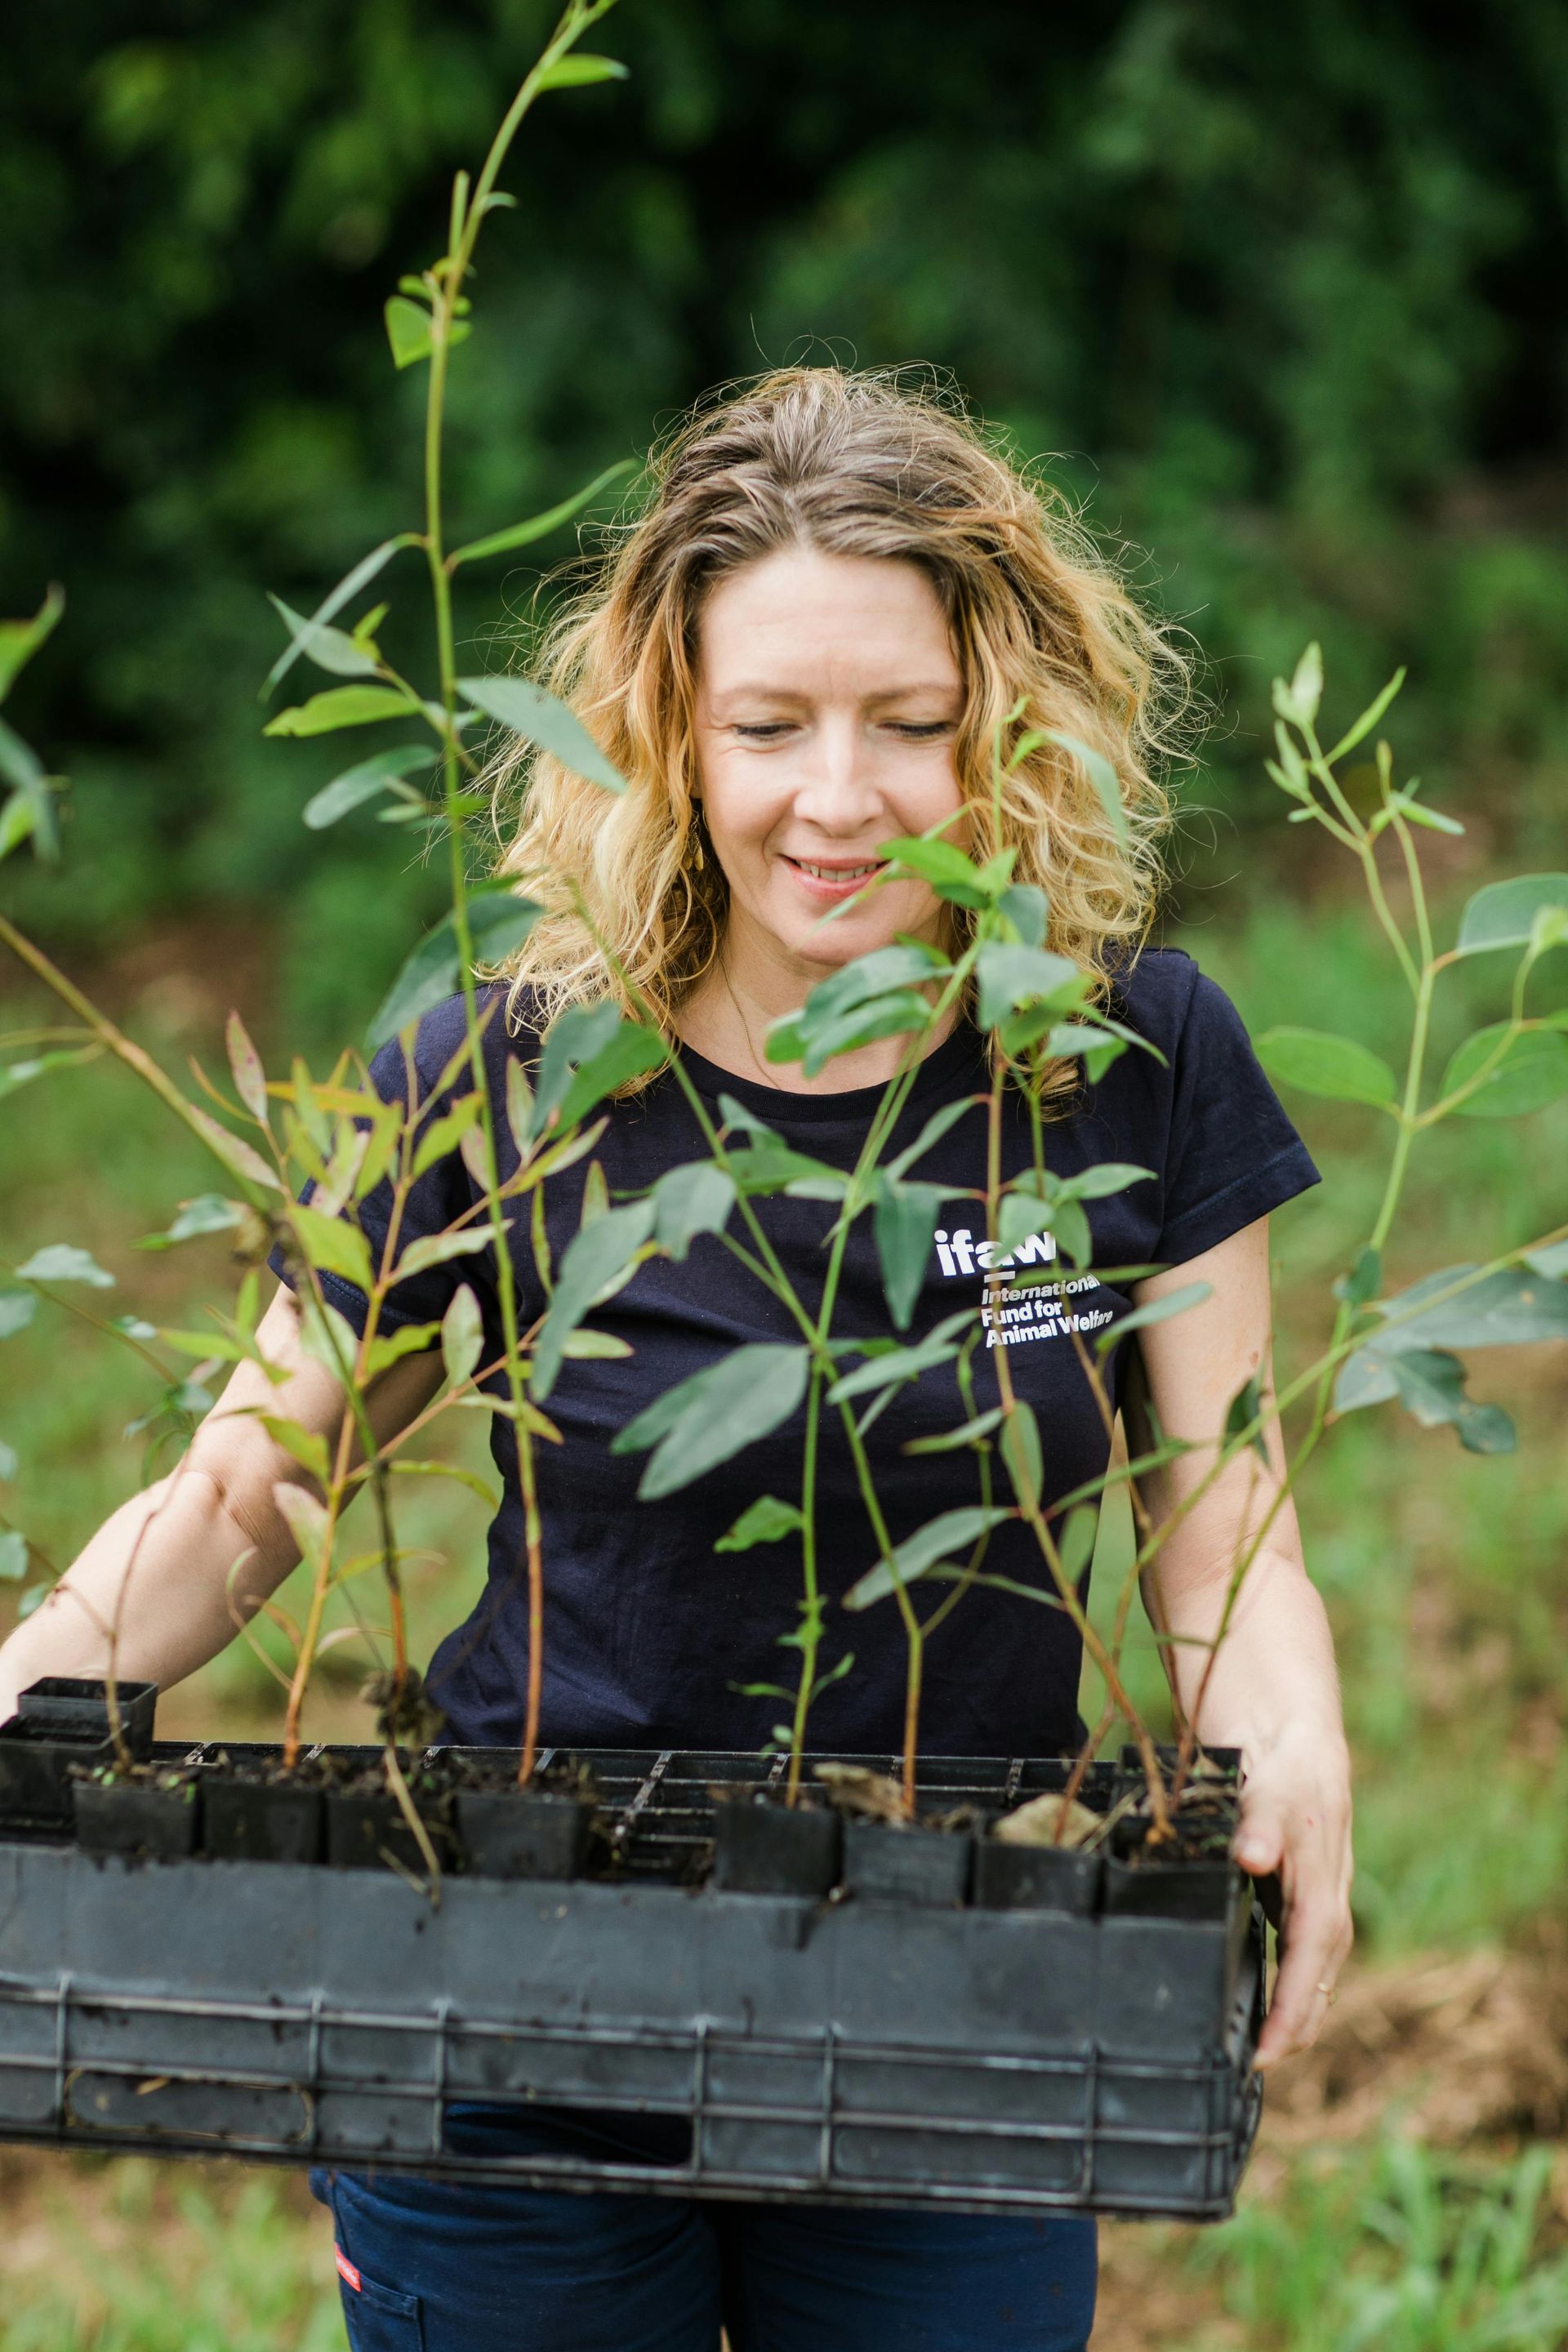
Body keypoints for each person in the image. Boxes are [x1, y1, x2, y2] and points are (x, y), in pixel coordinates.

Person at [0, 368, 1353, 2352]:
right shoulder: (509, 1073)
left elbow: (1222, 1514)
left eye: (913, 725)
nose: (840, 797)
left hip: (959, 1988)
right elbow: (243, 1493)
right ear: (661, 728)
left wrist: (1295, 1739)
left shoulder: (1121, 1064)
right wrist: (23, 1681)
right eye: (770, 726)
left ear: (1007, 717)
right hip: (516, 1975)